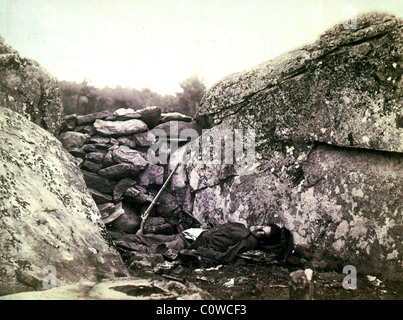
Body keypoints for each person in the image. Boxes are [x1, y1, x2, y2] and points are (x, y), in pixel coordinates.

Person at [112, 221, 294, 266]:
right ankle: (107, 235)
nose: (258, 228)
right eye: (262, 226)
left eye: (262, 232)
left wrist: (201, 250)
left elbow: (226, 256)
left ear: (263, 239)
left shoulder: (249, 241)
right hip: (190, 234)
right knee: (146, 239)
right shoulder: (244, 228)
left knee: (148, 247)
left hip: (191, 241)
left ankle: (111, 244)